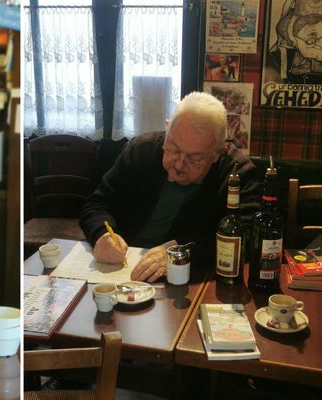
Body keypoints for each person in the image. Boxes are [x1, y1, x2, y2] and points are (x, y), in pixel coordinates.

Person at [79, 92, 259, 282]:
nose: (179, 164)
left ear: (218, 153)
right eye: (173, 149)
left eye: (195, 159)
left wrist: (182, 251)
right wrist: (102, 234)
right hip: (122, 271)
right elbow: (97, 203)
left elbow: (247, 239)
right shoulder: (141, 150)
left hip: (187, 280)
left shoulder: (238, 174)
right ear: (167, 129)